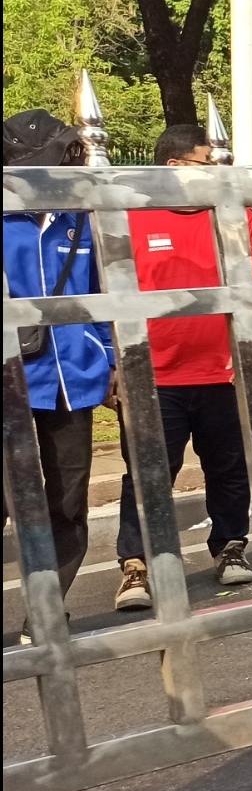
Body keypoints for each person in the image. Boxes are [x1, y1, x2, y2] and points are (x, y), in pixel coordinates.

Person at [112, 124, 252, 610]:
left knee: (227, 468)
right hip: (152, 375)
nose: (219, 171)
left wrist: (242, 342)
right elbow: (106, 293)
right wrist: (116, 362)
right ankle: (137, 565)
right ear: (176, 168)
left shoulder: (235, 216)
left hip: (223, 372)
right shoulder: (129, 216)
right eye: (210, 161)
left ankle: (230, 547)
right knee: (147, 472)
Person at [3, 110, 115, 603]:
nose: (74, 158)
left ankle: (47, 609)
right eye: (64, 151)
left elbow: (107, 298)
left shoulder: (83, 218)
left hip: (75, 376)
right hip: (10, 380)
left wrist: (111, 360)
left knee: (68, 502)